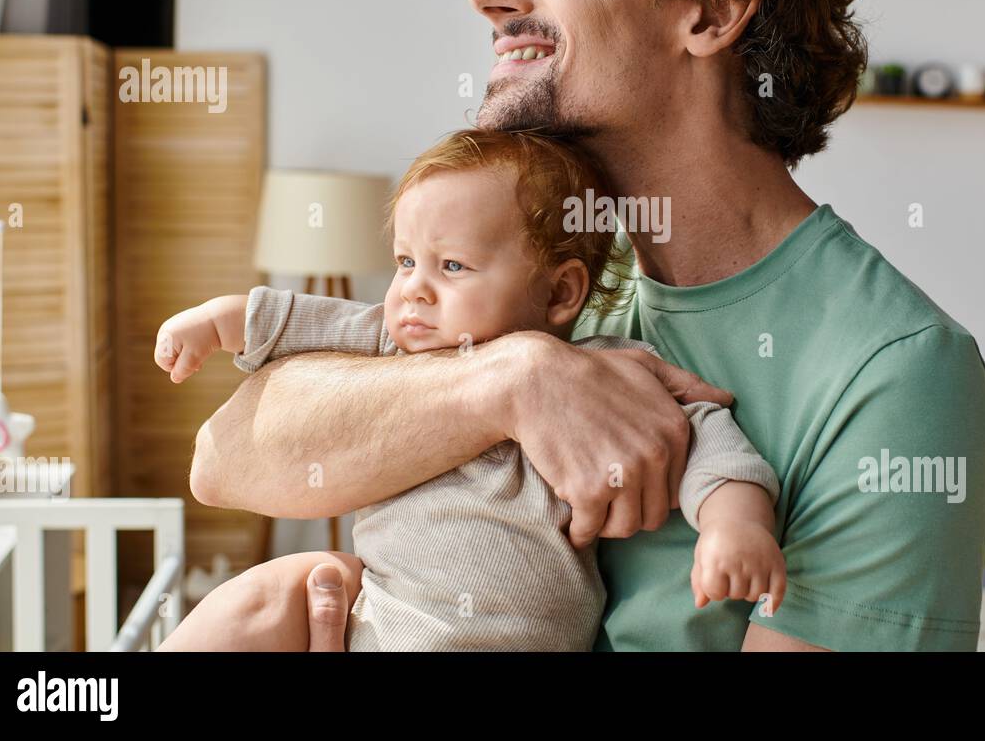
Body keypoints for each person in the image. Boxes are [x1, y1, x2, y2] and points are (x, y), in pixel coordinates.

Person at [174, 0, 985, 652]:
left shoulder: (899, 379)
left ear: (710, 12)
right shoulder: (544, 274)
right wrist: (515, 379)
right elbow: (226, 460)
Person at [155, 130, 784, 650]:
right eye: (405, 262)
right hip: (381, 627)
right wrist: (219, 322)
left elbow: (708, 435)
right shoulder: (392, 344)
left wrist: (736, 526)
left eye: (451, 266)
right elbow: (304, 321)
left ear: (561, 292)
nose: (413, 291)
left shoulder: (604, 373)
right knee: (266, 595)